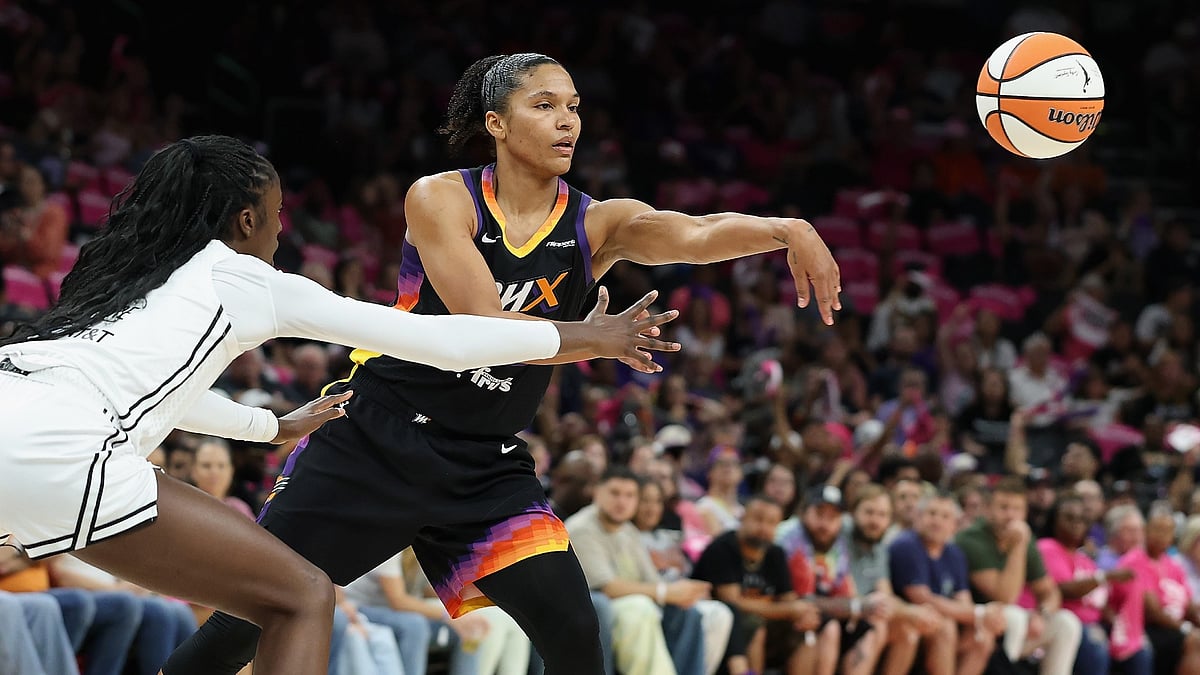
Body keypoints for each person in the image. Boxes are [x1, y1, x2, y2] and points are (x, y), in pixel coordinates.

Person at [169, 52, 841, 675]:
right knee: (248, 620)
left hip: (483, 467)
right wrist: (593, 336)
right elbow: (481, 321)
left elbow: (693, 233)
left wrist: (788, 229)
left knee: (577, 636)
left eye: (574, 106)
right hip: (375, 439)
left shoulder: (595, 224)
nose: (567, 121)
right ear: (496, 122)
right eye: (545, 104)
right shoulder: (441, 198)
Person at [0, 135, 680, 675]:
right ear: (246, 218)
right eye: (276, 214)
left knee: (260, 605)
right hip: (64, 449)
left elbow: (165, 394)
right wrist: (586, 336)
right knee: (299, 594)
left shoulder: (131, 276)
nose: (281, 228)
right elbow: (434, 340)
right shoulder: (249, 277)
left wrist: (267, 425)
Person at [955, 476, 1083, 675]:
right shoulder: (971, 540)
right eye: (1003, 508)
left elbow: (1050, 592)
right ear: (988, 509)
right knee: (1015, 616)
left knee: (1066, 622)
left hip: (1007, 626)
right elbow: (1005, 596)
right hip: (974, 621)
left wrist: (1042, 614)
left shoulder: (1025, 538)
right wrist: (1018, 546)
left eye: (1017, 509)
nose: (1010, 516)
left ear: (1025, 512)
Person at [693, 495, 832, 675]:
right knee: (755, 625)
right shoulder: (723, 548)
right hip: (722, 628)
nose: (763, 528)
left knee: (806, 628)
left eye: (771, 522)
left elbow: (788, 600)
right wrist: (787, 610)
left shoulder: (775, 553)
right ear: (743, 518)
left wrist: (802, 614)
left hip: (763, 626)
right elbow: (733, 602)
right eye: (758, 519)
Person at [887, 491, 1006, 675]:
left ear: (954, 525)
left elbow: (963, 599)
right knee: (946, 627)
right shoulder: (906, 545)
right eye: (932, 514)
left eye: (945, 516)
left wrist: (982, 619)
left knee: (982, 635)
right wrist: (980, 613)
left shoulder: (954, 553)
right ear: (918, 517)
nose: (937, 521)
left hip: (938, 621)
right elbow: (921, 598)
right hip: (905, 618)